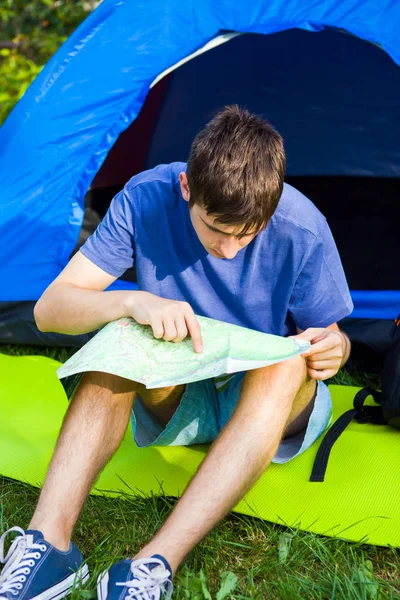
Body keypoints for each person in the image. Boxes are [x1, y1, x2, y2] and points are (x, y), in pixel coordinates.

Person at [0, 106, 353, 600]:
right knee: (118, 335)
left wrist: (336, 346)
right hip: (178, 396)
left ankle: (150, 566)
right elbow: (49, 311)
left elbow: (330, 336)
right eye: (215, 229)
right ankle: (49, 547)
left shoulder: (302, 227)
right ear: (187, 188)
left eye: (247, 234)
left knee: (288, 360)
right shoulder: (146, 198)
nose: (230, 250)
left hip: (265, 406)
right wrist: (133, 300)